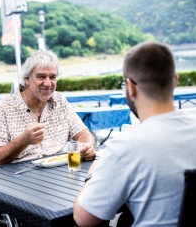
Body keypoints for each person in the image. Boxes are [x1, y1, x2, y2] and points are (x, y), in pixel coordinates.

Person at [73, 41, 196, 226]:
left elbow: (83, 219)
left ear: (130, 87)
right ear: (175, 81)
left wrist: (93, 173)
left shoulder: (126, 145)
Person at [0, 49, 96, 167]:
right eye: (41, 77)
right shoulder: (2, 110)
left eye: (52, 77)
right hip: (18, 178)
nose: (48, 83)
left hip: (58, 175)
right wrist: (23, 141)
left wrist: (86, 147)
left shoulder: (60, 101)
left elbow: (83, 134)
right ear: (27, 79)